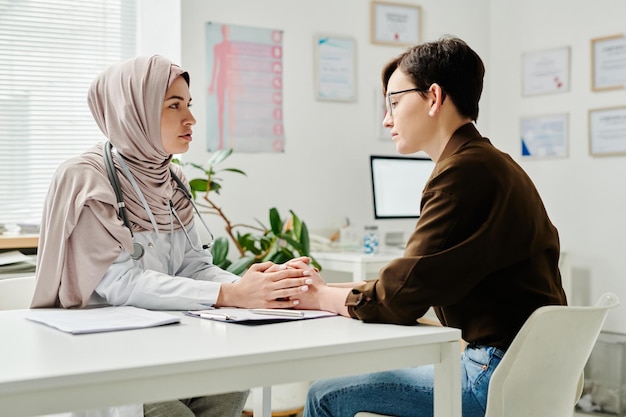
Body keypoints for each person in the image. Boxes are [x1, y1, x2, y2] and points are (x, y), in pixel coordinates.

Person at [291, 36, 568, 417]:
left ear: (433, 97)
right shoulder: (494, 164)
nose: (387, 119)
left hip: (489, 377)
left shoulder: (462, 173)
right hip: (532, 372)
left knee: (324, 394)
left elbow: (397, 299)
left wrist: (320, 297)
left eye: (394, 102)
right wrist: (321, 286)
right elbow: (416, 282)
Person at [30, 55, 313, 417]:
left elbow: (194, 266)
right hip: (109, 355)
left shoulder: (172, 179)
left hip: (171, 340)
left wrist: (253, 287)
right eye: (173, 105)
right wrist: (230, 293)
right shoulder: (87, 179)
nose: (190, 118)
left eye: (189, 105)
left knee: (234, 380)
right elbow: (120, 283)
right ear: (135, 111)